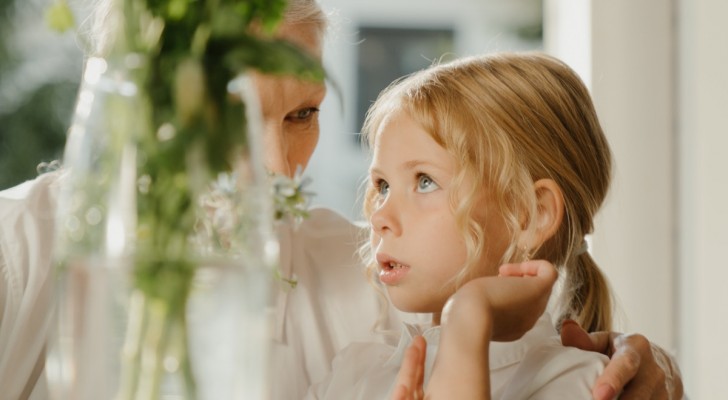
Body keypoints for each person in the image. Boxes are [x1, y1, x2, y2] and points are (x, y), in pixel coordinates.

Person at [0, 1, 682, 399]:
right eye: (229, 111)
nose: (275, 167)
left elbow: (526, 348)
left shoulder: (381, 282)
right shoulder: (20, 254)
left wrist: (653, 375)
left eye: (301, 115)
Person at [305, 52, 675, 400]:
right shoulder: (350, 375)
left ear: (531, 215)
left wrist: (467, 320)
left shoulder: (579, 383)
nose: (380, 216)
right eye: (382, 186)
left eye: (424, 181)